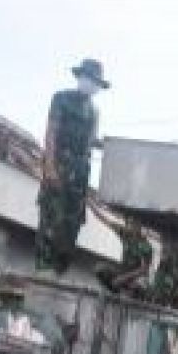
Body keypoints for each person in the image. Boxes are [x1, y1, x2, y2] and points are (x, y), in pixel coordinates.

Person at [36, 58, 108, 276]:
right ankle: (43, 268)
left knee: (72, 224)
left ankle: (60, 271)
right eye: (89, 79)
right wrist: (49, 166)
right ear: (80, 77)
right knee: (51, 217)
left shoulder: (94, 110)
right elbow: (52, 132)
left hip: (80, 173)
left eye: (96, 82)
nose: (92, 84)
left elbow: (91, 140)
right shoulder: (61, 98)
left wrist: (110, 146)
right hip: (60, 165)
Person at [92, 206, 153, 295]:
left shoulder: (146, 246)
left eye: (133, 223)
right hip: (123, 272)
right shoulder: (125, 234)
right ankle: (115, 291)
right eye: (128, 223)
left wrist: (124, 278)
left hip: (137, 278)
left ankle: (127, 291)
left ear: (139, 226)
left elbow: (144, 269)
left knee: (137, 288)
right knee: (100, 268)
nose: (130, 226)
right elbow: (104, 219)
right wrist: (89, 202)